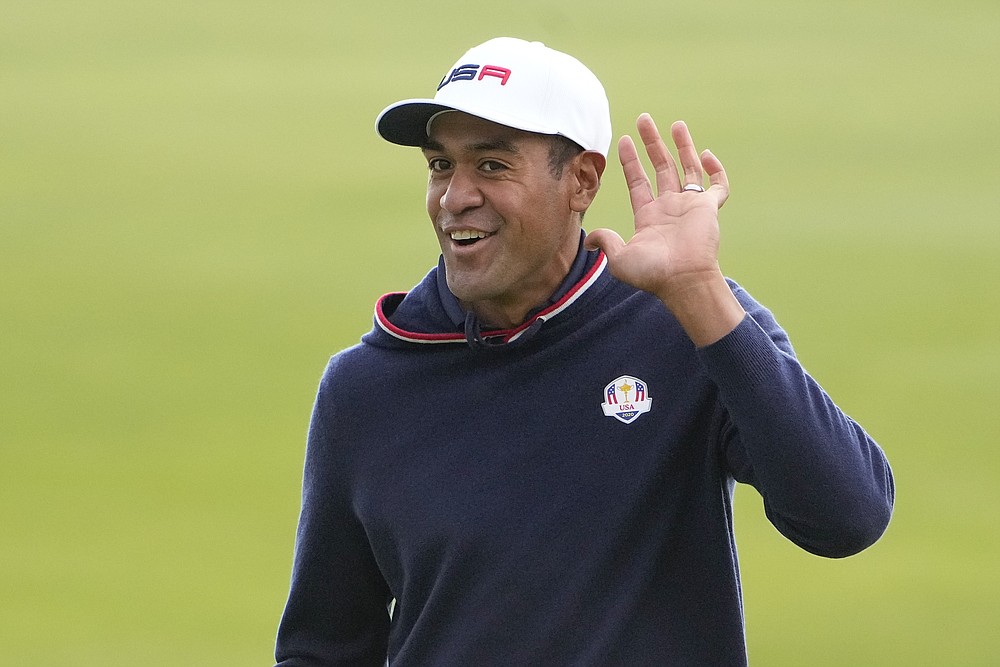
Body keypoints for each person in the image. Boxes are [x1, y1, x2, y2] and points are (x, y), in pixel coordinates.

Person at [274, 37, 894, 666]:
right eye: (440, 164)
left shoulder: (687, 325)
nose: (454, 196)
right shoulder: (367, 386)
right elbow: (324, 646)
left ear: (581, 181)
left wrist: (697, 291)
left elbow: (847, 516)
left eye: (491, 165)